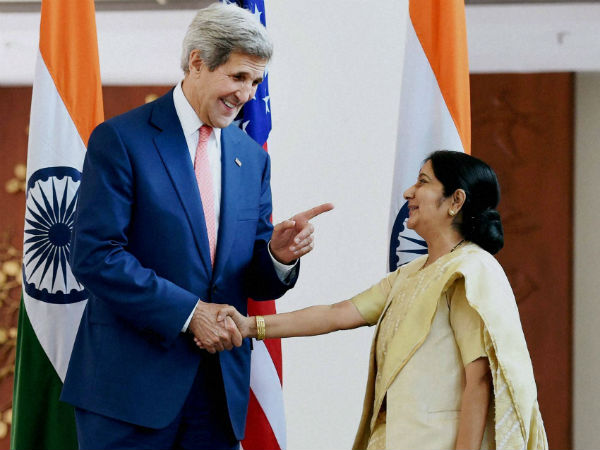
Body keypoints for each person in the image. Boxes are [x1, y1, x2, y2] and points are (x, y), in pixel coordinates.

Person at [60, 3, 332, 449]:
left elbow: (250, 279)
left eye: (256, 82)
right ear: (198, 62)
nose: (247, 94)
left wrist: (277, 256)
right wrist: (190, 314)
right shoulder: (122, 139)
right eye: (238, 77)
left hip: (218, 393)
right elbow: (96, 255)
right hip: (129, 392)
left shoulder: (252, 157)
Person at [216, 150, 548, 450]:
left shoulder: (471, 269)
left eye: (423, 182)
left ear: (455, 200)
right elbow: (335, 314)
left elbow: (480, 378)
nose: (408, 193)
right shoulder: (409, 274)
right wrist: (249, 326)